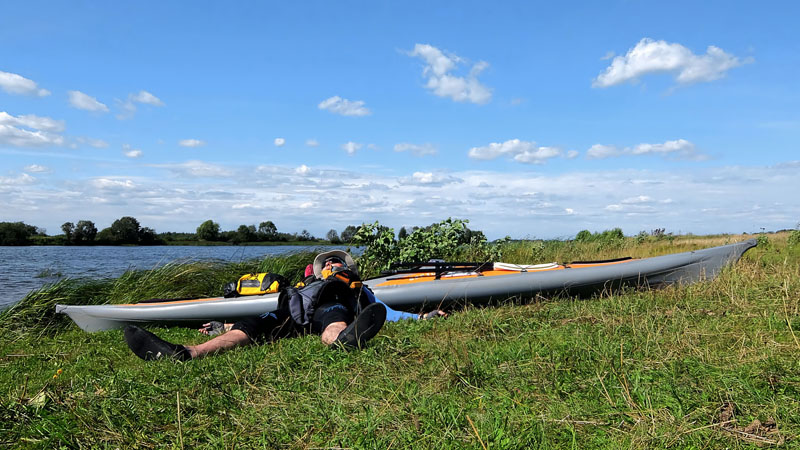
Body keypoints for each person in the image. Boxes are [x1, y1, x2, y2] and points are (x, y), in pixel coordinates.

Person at [124, 250, 445, 361]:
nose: (333, 264)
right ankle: (187, 353)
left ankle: (343, 342)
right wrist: (223, 323)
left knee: (334, 320)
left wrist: (423, 317)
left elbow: (382, 309)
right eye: (329, 262)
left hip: (327, 312)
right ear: (318, 270)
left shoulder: (350, 289)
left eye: (337, 261)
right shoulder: (302, 285)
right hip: (287, 313)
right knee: (247, 329)